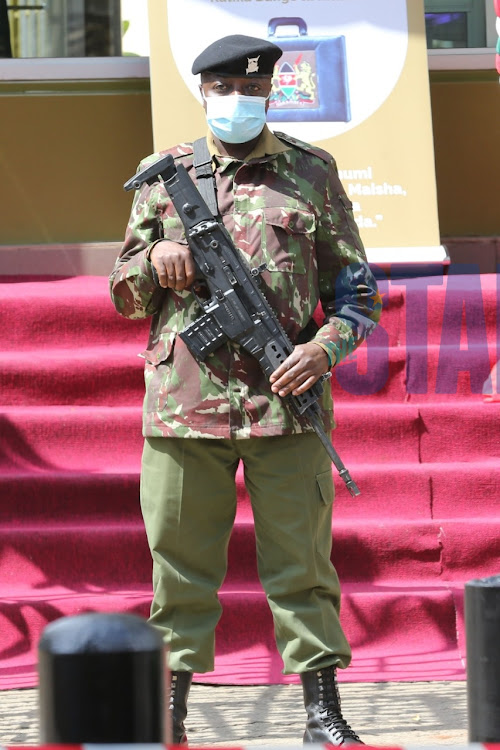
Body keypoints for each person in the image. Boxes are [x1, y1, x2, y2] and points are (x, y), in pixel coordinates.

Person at [110, 34, 381, 746]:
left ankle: (322, 714)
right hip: (183, 407)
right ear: (204, 92)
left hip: (285, 408)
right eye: (225, 89)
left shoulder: (310, 173)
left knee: (304, 569)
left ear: (270, 95)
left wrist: (322, 351)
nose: (238, 101)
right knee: (180, 571)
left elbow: (358, 296)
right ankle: (167, 715)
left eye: (253, 91)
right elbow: (122, 292)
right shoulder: (163, 176)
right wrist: (155, 259)